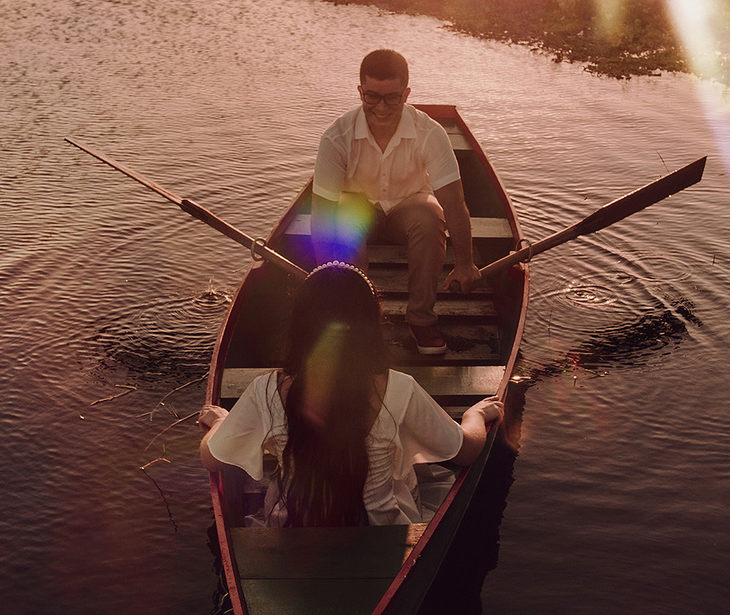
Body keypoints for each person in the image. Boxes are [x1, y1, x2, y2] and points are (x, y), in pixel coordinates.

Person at [198, 263, 503, 527]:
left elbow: (211, 459)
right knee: (412, 470)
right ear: (370, 325)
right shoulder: (400, 388)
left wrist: (221, 422)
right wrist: (473, 415)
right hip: (381, 529)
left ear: (300, 325)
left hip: (294, 526)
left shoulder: (265, 390)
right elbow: (467, 451)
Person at [309, 49, 479, 357]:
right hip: (358, 211)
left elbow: (454, 204)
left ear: (407, 94)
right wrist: (326, 275)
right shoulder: (336, 137)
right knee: (345, 218)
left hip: (409, 208)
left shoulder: (430, 133)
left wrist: (465, 264)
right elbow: (322, 214)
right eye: (372, 97)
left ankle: (421, 320)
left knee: (431, 217)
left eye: (393, 98)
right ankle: (359, 318)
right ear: (360, 91)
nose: (382, 108)